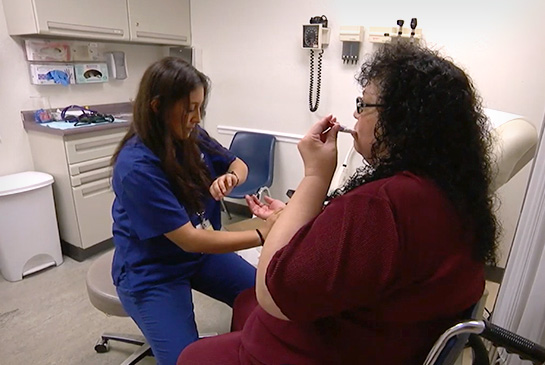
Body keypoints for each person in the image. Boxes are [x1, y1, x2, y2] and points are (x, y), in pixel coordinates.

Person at [178, 42, 498, 364]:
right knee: (246, 306)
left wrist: (315, 177)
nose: (355, 115)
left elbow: (273, 292)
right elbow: (363, 257)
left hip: (315, 350)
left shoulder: (381, 206)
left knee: (194, 354)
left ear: (401, 118)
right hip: (379, 339)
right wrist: (292, 221)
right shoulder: (449, 193)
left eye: (363, 104)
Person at [110, 57, 276, 365]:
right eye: (189, 109)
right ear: (157, 107)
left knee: (264, 299)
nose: (197, 118)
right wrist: (261, 233)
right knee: (186, 359)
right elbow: (188, 239)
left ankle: (241, 353)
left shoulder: (191, 136)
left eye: (200, 107)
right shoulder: (136, 167)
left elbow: (238, 163)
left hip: (199, 255)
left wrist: (232, 177)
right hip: (153, 271)